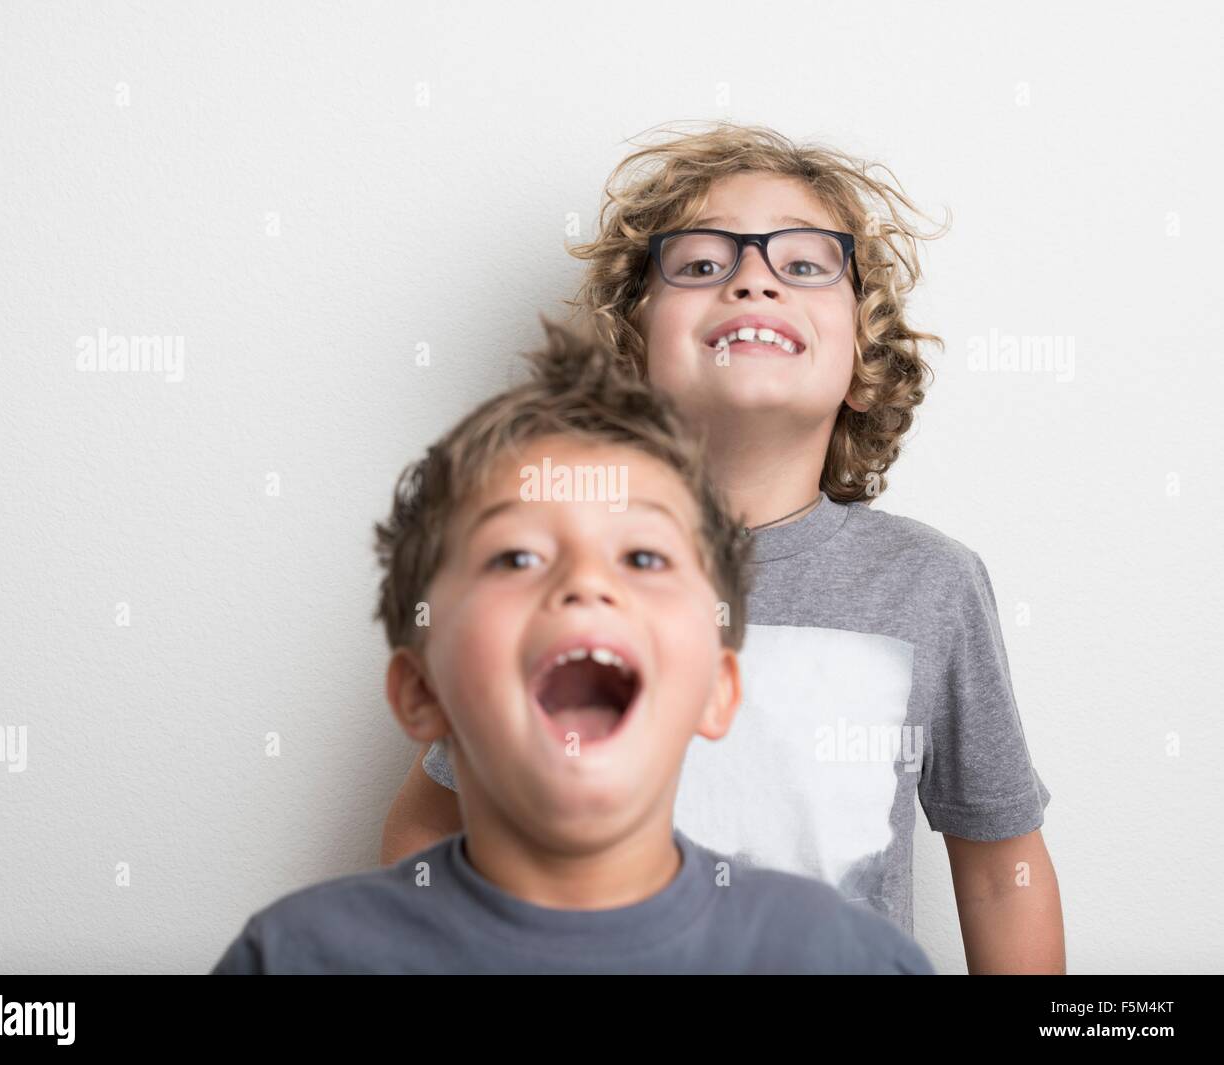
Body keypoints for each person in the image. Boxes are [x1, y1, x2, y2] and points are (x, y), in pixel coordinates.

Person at [383, 122, 1063, 974]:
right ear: (634, 358)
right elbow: (428, 827)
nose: (752, 281)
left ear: (862, 362)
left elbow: (1004, 872)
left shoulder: (932, 583)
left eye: (805, 265)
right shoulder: (562, 575)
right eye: (703, 265)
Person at [211, 318, 934, 974]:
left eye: (644, 559)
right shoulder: (297, 957)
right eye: (517, 558)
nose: (586, 585)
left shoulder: (846, 957)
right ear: (421, 691)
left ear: (718, 690)